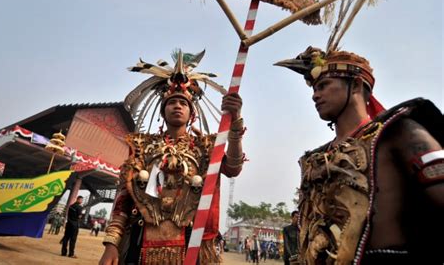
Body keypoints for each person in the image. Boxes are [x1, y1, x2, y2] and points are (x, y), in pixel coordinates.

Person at [275, 47, 444, 264]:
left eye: (324, 86)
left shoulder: (397, 133)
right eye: (315, 89)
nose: (315, 95)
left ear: (355, 85)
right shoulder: (317, 158)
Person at [99, 50, 246, 264]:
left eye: (183, 103)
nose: (177, 106)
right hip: (140, 246)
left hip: (190, 246)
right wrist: (111, 244)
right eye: (171, 103)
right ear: (163, 111)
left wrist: (235, 126)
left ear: (191, 113)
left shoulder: (205, 148)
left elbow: (233, 168)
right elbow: (124, 198)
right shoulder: (143, 147)